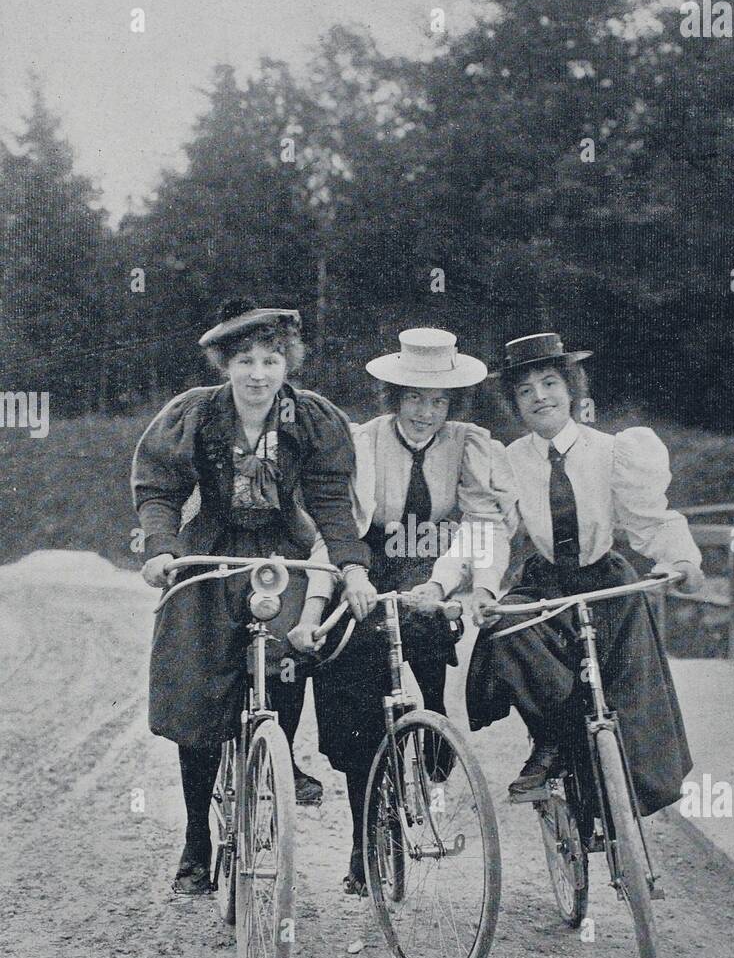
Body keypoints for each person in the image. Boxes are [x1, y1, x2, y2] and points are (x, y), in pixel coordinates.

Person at [132, 298, 375, 895]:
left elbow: (330, 502)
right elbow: (159, 488)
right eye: (245, 361)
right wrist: (162, 549)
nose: (259, 374)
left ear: (287, 363)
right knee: (194, 674)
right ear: (225, 365)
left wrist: (352, 566)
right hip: (213, 548)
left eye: (271, 360)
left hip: (280, 551)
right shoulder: (193, 415)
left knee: (290, 645)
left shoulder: (312, 419)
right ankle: (196, 841)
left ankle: (278, 751)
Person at [289, 327, 510, 894]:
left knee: (427, 645)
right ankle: (369, 835)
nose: (425, 412)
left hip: (434, 563)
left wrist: (464, 585)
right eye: (414, 397)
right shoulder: (362, 442)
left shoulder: (468, 442)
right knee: (351, 691)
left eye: (437, 400)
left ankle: (430, 728)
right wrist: (320, 604)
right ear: (394, 397)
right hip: (367, 559)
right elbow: (341, 530)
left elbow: (482, 525)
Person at [467, 331, 705, 817]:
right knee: (509, 627)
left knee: (627, 692)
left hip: (605, 580)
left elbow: (647, 518)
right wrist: (482, 587)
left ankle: (623, 814)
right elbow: (490, 530)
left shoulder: (614, 451)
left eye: (549, 383)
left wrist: (682, 559)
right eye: (525, 391)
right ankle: (550, 743)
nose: (540, 398)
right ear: (516, 404)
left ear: (571, 390)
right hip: (546, 580)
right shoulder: (507, 461)